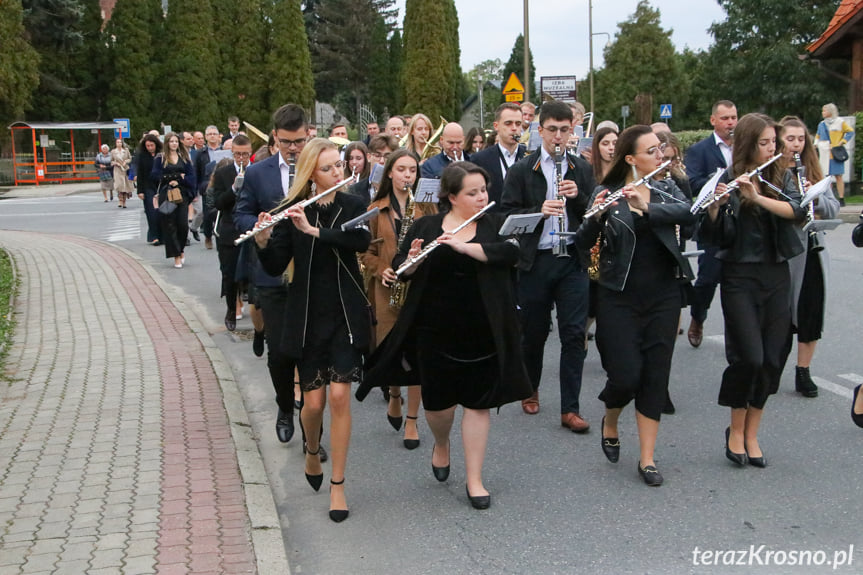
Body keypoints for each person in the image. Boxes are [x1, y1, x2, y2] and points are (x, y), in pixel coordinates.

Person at [358, 162, 532, 510]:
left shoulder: (495, 224)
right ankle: (441, 443)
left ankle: (475, 479)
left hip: (483, 330)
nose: (482, 197)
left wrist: (466, 248)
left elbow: (512, 254)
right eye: (473, 192)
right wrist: (411, 262)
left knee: (478, 405)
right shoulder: (426, 225)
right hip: (434, 330)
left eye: (484, 190)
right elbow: (404, 271)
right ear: (452, 197)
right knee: (439, 408)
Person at [255, 138, 370, 522]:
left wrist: (316, 232)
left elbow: (361, 240)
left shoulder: (352, 204)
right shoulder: (292, 210)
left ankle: (338, 485)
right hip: (307, 316)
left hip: (344, 313)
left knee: (340, 397)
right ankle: (311, 448)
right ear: (311, 175)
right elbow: (274, 266)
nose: (338, 172)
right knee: (314, 404)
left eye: (339, 165)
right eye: (329, 168)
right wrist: (263, 239)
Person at [576, 125, 694, 486]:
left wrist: (648, 208)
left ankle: (647, 458)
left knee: (655, 374)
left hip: (663, 293)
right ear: (630, 158)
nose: (661, 156)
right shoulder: (606, 191)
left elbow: (688, 215)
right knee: (626, 376)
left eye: (662, 150)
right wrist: (596, 217)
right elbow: (583, 243)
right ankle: (610, 419)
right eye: (652, 152)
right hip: (618, 294)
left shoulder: (666, 185)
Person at [695, 113, 806, 468]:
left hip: (775, 274)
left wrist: (756, 198)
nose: (773, 148)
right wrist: (715, 208)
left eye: (774, 142)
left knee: (773, 358)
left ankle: (753, 433)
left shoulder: (781, 176)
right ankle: (735, 430)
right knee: (750, 357)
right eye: (765, 143)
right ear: (747, 144)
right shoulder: (728, 178)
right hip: (739, 276)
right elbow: (713, 237)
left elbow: (796, 211)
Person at [501, 100, 596, 432]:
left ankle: (571, 408)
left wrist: (580, 198)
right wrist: (539, 210)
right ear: (539, 131)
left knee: (573, 334)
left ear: (573, 132)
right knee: (534, 333)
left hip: (571, 258)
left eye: (564, 130)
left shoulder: (581, 169)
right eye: (552, 130)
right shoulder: (523, 170)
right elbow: (506, 217)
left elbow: (595, 216)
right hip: (536, 261)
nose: (558, 136)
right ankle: (530, 388)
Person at [235, 104, 311, 448]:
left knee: (310, 354)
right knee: (280, 353)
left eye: (299, 141)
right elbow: (241, 212)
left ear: (307, 134)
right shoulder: (258, 173)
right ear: (275, 137)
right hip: (272, 274)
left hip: (310, 272)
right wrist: (257, 227)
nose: (293, 149)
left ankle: (313, 433)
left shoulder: (317, 169)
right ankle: (284, 406)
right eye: (286, 142)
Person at [360, 149, 437, 449]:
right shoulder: (375, 210)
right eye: (402, 170)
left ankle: (413, 421)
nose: (407, 176)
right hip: (387, 291)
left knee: (417, 355)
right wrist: (382, 270)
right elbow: (365, 252)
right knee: (391, 351)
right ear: (389, 172)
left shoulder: (426, 208)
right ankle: (394, 395)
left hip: (418, 290)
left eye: (413, 171)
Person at [778, 116, 840, 398]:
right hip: (786, 251)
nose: (796, 144)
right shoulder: (773, 171)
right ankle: (773, 366)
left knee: (811, 309)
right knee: (782, 312)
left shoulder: (813, 169)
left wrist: (814, 195)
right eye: (790, 139)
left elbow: (833, 208)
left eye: (801, 139)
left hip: (813, 248)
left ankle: (803, 370)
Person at [684, 100, 738, 349]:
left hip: (738, 221)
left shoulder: (744, 147)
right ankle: (698, 316)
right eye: (725, 118)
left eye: (733, 117)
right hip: (712, 222)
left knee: (737, 280)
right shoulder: (700, 150)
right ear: (713, 120)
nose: (730, 123)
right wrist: (716, 180)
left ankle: (737, 332)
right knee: (708, 278)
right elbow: (692, 183)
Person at [213, 134, 253, 331]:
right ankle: (231, 309)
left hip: (250, 228)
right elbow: (218, 203)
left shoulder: (256, 171)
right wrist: (233, 189)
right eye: (238, 154)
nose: (241, 158)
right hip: (230, 229)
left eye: (245, 154)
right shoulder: (223, 173)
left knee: (252, 271)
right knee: (229, 273)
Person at [150, 132, 196, 269]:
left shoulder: (185, 157)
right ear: (167, 143)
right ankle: (175, 255)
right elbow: (154, 175)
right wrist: (173, 177)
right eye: (171, 141)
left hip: (181, 194)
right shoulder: (161, 158)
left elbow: (191, 176)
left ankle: (181, 249)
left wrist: (182, 180)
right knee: (170, 224)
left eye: (176, 141)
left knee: (182, 224)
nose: (174, 144)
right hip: (167, 193)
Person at [470, 103, 525, 210]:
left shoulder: (530, 155)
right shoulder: (479, 159)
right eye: (508, 123)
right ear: (496, 126)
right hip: (492, 222)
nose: (514, 128)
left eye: (518, 124)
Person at [815, 103, 854, 206]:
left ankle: (841, 198)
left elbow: (850, 132)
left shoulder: (840, 122)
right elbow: (817, 136)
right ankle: (830, 198)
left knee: (838, 176)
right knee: (826, 178)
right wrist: (816, 145)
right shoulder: (821, 124)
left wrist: (842, 142)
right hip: (824, 153)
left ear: (830, 111)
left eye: (824, 111)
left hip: (835, 153)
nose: (823, 113)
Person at [348, 135, 397, 206]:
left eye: (387, 156)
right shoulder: (354, 190)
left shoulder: (397, 189)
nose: (382, 161)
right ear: (368, 157)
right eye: (377, 156)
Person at [195, 125, 223, 248]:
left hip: (222, 183)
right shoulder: (201, 153)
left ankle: (220, 235)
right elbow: (196, 172)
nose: (212, 136)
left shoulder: (225, 150)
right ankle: (207, 235)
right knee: (207, 213)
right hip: (207, 185)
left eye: (214, 134)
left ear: (218, 136)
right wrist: (196, 189)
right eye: (209, 134)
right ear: (206, 137)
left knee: (221, 210)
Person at [135, 134, 162, 244]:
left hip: (160, 185)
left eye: (152, 145)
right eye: (148, 146)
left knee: (162, 211)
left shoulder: (161, 154)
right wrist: (140, 190)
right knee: (151, 211)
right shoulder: (142, 156)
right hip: (147, 186)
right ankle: (154, 236)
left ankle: (162, 235)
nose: (150, 147)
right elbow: (140, 174)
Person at [110, 138, 134, 208]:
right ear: (116, 143)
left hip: (125, 170)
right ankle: (120, 200)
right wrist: (116, 163)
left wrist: (125, 162)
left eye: (120, 142)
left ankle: (124, 202)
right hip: (117, 170)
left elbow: (130, 158)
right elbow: (111, 161)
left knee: (125, 186)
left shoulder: (126, 151)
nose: (119, 143)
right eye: (117, 142)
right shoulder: (113, 151)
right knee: (119, 186)